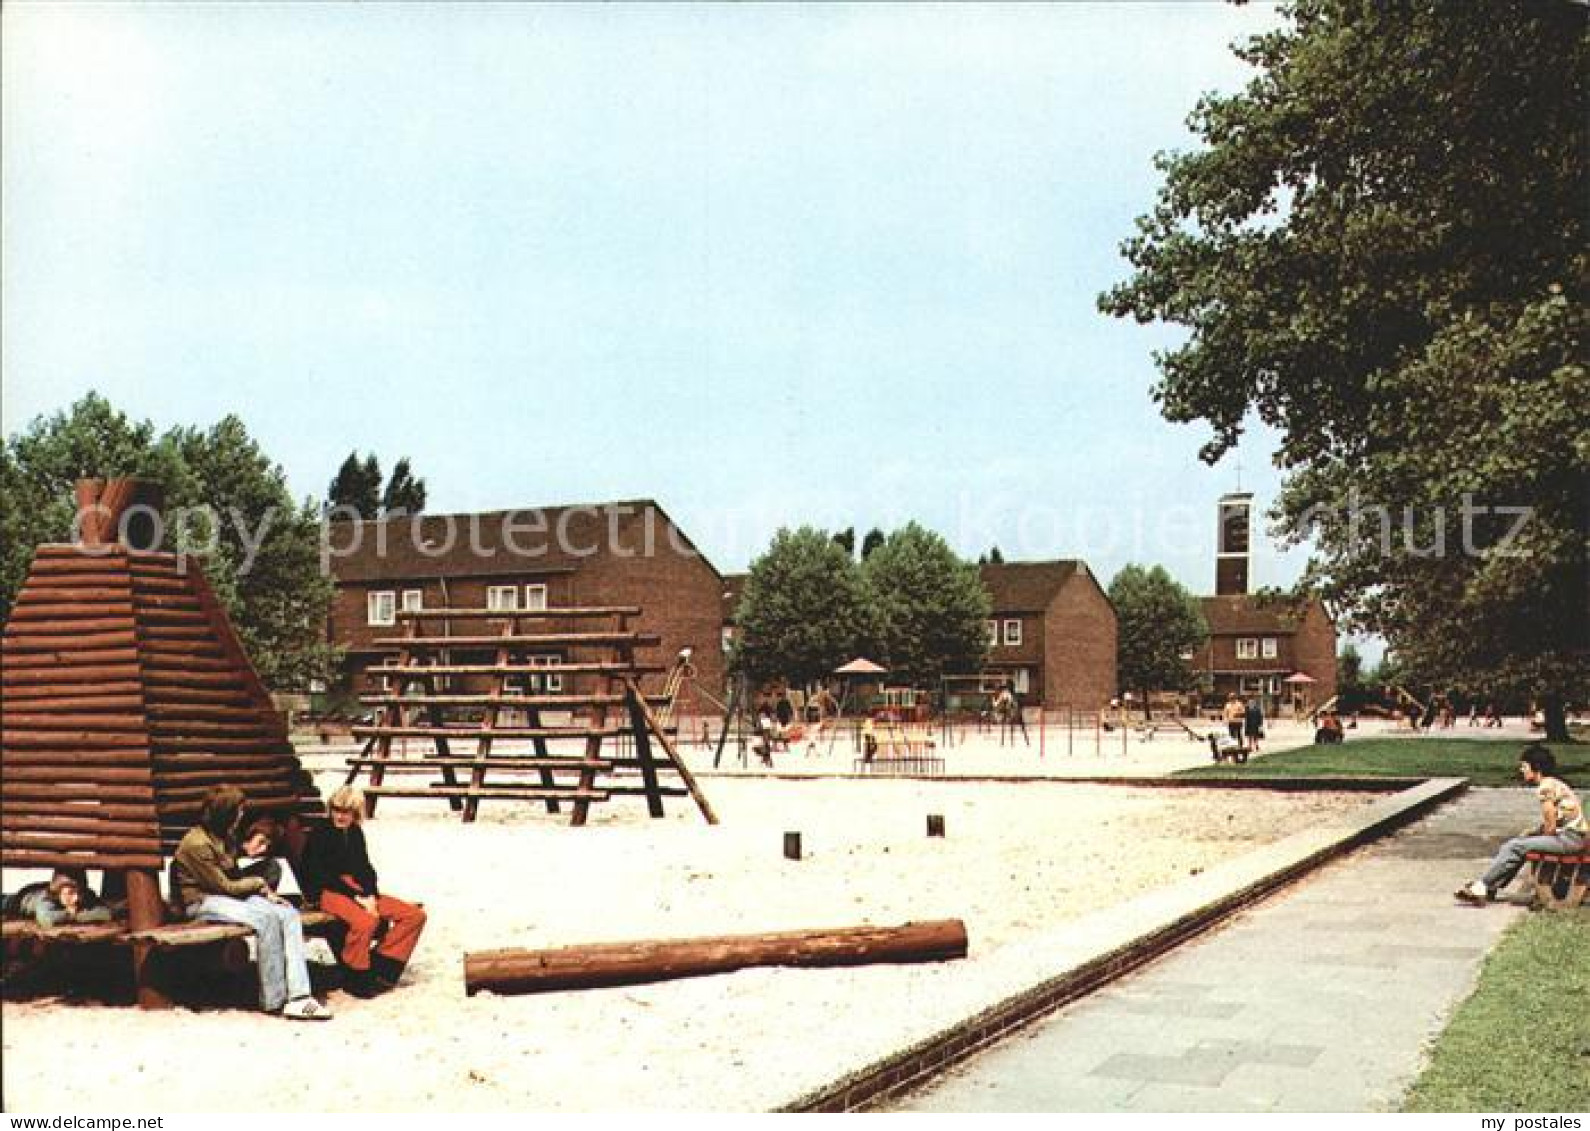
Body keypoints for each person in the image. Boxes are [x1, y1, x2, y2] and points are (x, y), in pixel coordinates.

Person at [172, 786, 331, 1020]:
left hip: (228, 898)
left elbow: (234, 878)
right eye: (238, 811)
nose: (241, 816)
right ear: (224, 813)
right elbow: (224, 886)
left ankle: (299, 996)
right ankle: (274, 998)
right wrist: (259, 884)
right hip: (203, 902)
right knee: (265, 919)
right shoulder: (196, 843)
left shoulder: (225, 835)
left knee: (288, 914)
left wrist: (267, 896)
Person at [301, 786, 427, 998]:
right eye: (337, 810)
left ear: (355, 813)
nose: (341, 816)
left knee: (414, 915)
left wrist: (371, 894)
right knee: (365, 922)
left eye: (347, 812)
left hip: (357, 889)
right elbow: (319, 875)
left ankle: (383, 963)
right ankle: (355, 974)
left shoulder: (355, 833)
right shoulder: (320, 833)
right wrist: (357, 897)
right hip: (327, 891)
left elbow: (365, 868)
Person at [1455, 746, 1586, 906]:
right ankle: (1488, 887)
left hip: (1569, 840)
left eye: (1524, 766)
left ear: (1536, 768)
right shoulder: (1554, 783)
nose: (1521, 770)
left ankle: (1482, 886)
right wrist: (1532, 834)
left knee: (1514, 846)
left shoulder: (1545, 787)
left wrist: (1533, 837)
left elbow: (1550, 827)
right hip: (1573, 838)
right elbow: (1556, 822)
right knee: (1520, 844)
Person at [4, 868, 114, 928]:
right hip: (19, 900)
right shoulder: (47, 898)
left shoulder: (85, 895)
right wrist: (68, 914)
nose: (76, 898)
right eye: (70, 893)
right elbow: (46, 919)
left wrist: (76, 916)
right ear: (57, 892)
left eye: (79, 893)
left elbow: (105, 913)